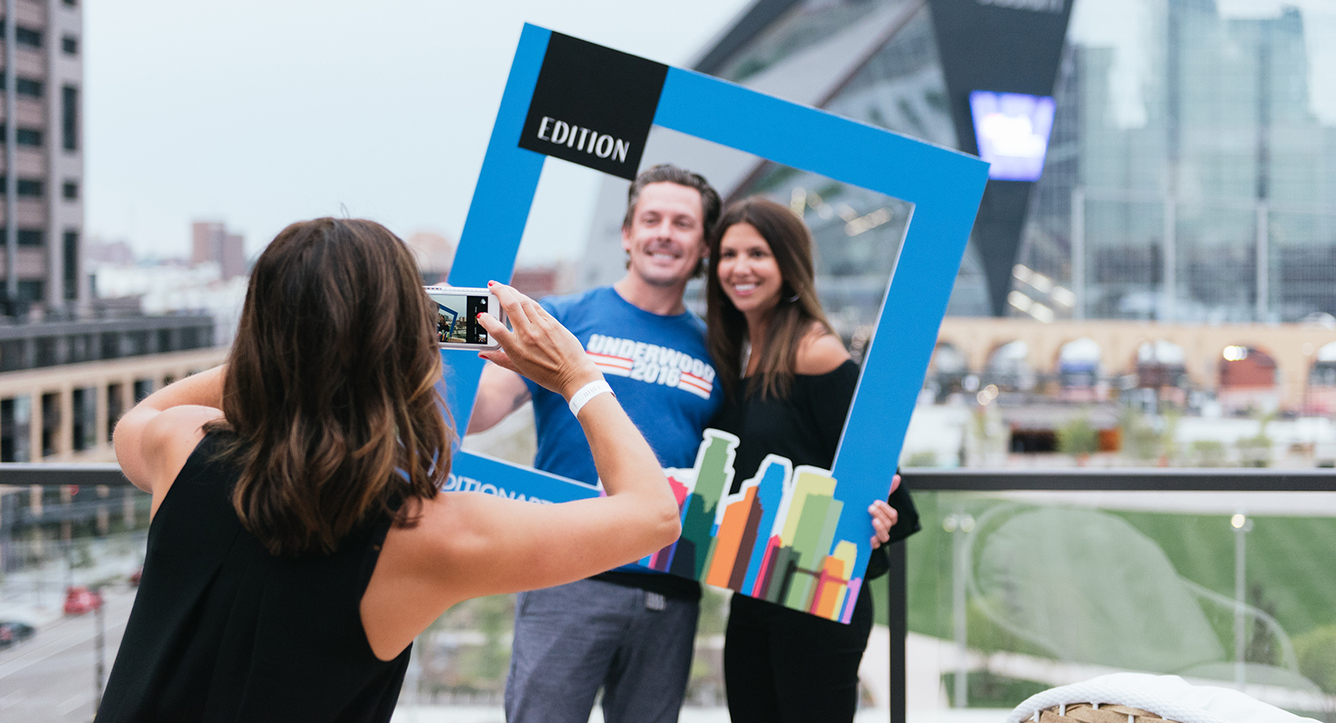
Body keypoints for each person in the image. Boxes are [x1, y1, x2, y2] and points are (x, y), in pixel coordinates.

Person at [96, 218, 682, 723]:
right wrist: (578, 377)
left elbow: (139, 418)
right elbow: (654, 516)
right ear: (401, 350)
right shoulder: (427, 535)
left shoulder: (182, 446)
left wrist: (299, 339)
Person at [467, 163, 722, 723]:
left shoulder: (718, 351)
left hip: (668, 591)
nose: (664, 233)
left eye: (682, 223)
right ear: (627, 234)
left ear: (704, 245)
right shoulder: (563, 319)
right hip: (564, 573)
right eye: (651, 219)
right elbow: (482, 409)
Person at [705, 197, 919, 723]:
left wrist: (879, 514)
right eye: (729, 254)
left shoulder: (815, 352)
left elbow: (882, 476)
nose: (739, 267)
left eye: (757, 253)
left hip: (818, 593)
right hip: (756, 586)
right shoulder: (743, 353)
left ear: (789, 264)